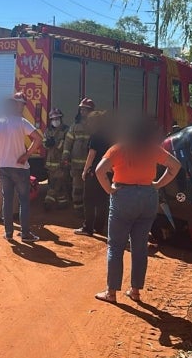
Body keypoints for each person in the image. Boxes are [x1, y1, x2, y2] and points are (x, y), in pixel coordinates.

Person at [93, 118, 182, 303]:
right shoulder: (153, 149)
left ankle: (111, 293)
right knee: (140, 247)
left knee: (116, 247)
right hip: (148, 197)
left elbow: (99, 171)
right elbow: (175, 166)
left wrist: (109, 190)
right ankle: (135, 291)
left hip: (123, 197)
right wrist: (157, 184)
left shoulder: (118, 149)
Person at [0, 92, 44, 243]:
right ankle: (25, 234)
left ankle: (9, 233)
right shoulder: (22, 122)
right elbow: (39, 138)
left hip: (3, 167)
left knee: (7, 199)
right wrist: (27, 155)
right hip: (20, 167)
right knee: (24, 201)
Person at [74, 110, 112, 236]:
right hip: (107, 171)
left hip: (94, 172)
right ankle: (99, 227)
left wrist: (85, 170)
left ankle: (87, 228)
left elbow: (91, 155)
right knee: (102, 200)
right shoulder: (109, 136)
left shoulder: (95, 136)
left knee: (88, 200)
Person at [62, 98, 95, 220]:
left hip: (91, 165)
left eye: (85, 110)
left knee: (90, 189)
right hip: (76, 166)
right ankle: (78, 209)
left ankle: (89, 210)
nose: (83, 112)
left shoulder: (95, 127)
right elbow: (67, 144)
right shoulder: (74, 127)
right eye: (81, 109)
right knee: (77, 188)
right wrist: (65, 157)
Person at [43, 108, 70, 210]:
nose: (55, 120)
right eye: (53, 119)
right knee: (57, 184)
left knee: (56, 183)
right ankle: (63, 203)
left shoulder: (66, 130)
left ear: (61, 118)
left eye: (57, 118)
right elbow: (44, 142)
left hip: (61, 162)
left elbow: (67, 145)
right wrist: (47, 144)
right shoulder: (48, 130)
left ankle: (48, 202)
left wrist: (56, 144)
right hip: (50, 164)